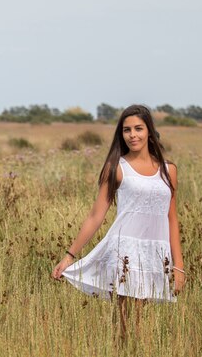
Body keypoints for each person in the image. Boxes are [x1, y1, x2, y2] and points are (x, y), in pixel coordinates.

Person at [51, 104, 186, 341]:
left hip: (156, 253)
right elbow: (96, 216)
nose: (132, 135)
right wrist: (69, 255)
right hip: (125, 251)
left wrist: (178, 266)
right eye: (126, 130)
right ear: (121, 134)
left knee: (141, 322)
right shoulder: (117, 168)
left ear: (149, 131)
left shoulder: (168, 170)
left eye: (138, 129)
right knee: (128, 322)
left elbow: (172, 218)